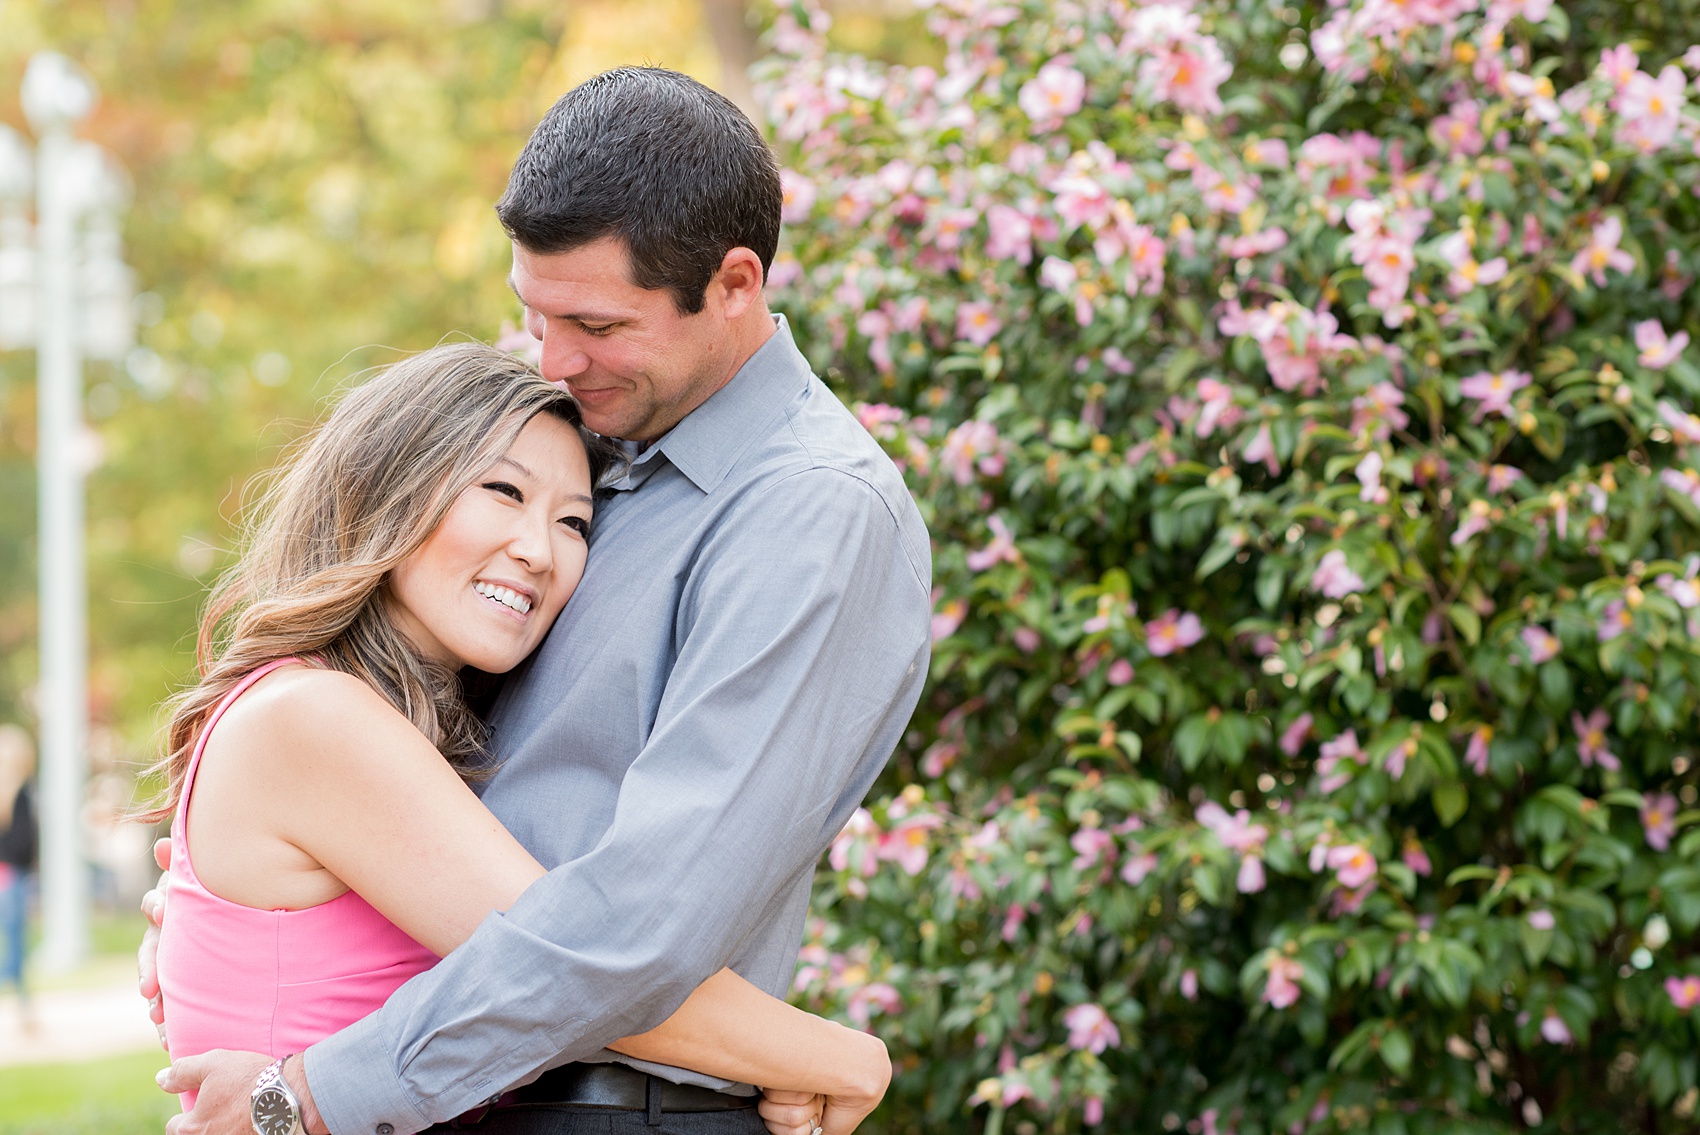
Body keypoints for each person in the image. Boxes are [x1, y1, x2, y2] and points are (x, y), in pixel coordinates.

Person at [147, 66, 933, 1135]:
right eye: (535, 315)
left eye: (597, 324)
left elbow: (636, 930)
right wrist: (262, 919)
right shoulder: (588, 439)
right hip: (479, 1087)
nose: (556, 361)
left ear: (735, 284)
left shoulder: (806, 513)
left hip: (614, 1107)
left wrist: (311, 1090)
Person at [0, 725, 36, 1013]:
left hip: (6, 873)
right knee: (15, 941)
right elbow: (24, 841)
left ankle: (23, 1002)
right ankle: (20, 996)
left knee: (13, 939)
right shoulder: (19, 794)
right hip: (14, 875)